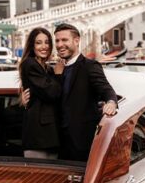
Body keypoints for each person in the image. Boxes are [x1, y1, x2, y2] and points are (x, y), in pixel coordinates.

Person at [50, 23, 118, 160]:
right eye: (57, 40)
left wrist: (111, 102)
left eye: (64, 40)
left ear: (76, 41)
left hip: (82, 143)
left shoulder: (90, 66)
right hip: (58, 144)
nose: (59, 44)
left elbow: (106, 89)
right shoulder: (56, 70)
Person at [18, 27, 61, 159]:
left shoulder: (47, 68)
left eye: (47, 42)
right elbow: (51, 93)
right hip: (38, 135)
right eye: (38, 43)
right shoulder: (30, 64)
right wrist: (59, 75)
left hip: (49, 135)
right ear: (32, 45)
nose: (44, 47)